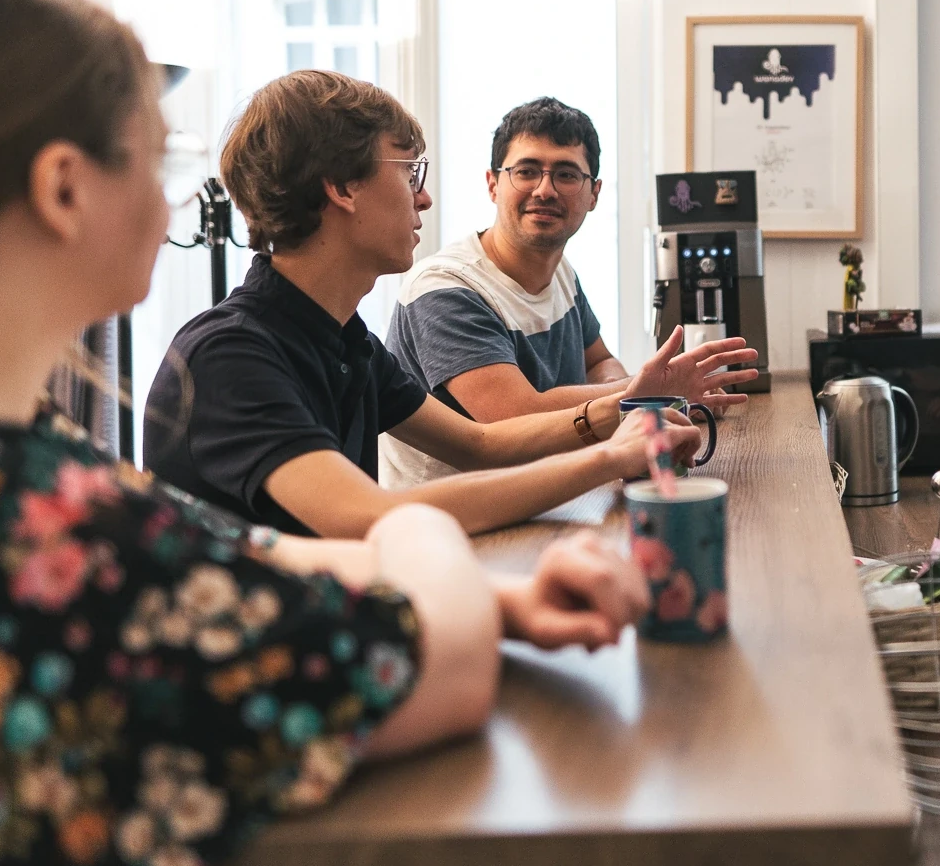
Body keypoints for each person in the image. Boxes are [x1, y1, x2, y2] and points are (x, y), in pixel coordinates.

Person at [0, 0, 650, 866]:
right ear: (64, 189)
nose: (171, 211)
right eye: (153, 167)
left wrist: (512, 598)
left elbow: (217, 553)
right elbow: (434, 659)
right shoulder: (14, 512)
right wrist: (417, 543)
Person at [142, 72, 726, 539]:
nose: (423, 195)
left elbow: (478, 443)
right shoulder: (230, 357)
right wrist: (610, 455)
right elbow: (366, 518)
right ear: (341, 188)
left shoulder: (346, 340)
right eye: (408, 170)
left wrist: (627, 408)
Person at [381, 97, 756, 485]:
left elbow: (600, 361)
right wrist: (643, 395)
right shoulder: (444, 288)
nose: (545, 190)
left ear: (593, 194)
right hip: (459, 523)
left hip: (549, 496)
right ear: (493, 185)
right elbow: (516, 416)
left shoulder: (561, 271)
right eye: (526, 171)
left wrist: (634, 395)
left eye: (565, 174)